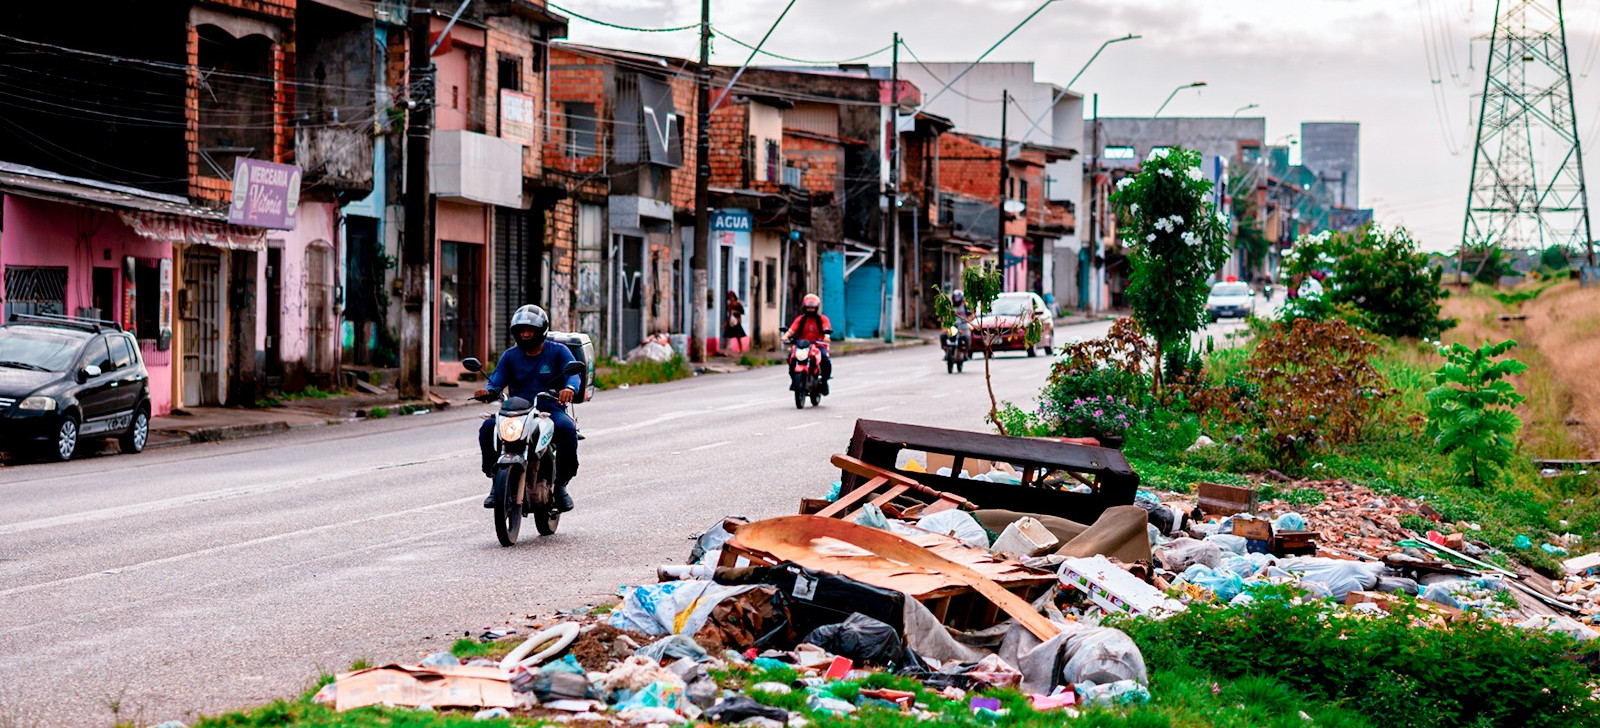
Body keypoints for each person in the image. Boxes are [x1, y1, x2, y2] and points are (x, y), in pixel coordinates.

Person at [474, 305, 580, 512]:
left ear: (541, 331)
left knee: (567, 429)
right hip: (516, 410)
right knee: (487, 428)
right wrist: (488, 392)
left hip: (550, 408)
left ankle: (560, 485)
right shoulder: (510, 356)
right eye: (521, 330)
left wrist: (569, 388)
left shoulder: (558, 351)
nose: (525, 334)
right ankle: (496, 480)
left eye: (530, 330)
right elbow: (496, 381)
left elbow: (573, 373)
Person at [783, 293, 833, 393]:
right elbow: (792, 329)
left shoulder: (822, 319)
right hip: (802, 346)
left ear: (816, 308)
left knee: (825, 359)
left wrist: (826, 337)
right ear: (805, 308)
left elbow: (826, 328)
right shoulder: (801, 319)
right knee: (791, 358)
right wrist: (786, 336)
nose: (810, 310)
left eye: (812, 308)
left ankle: (824, 381)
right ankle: (794, 381)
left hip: (818, 346)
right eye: (808, 308)